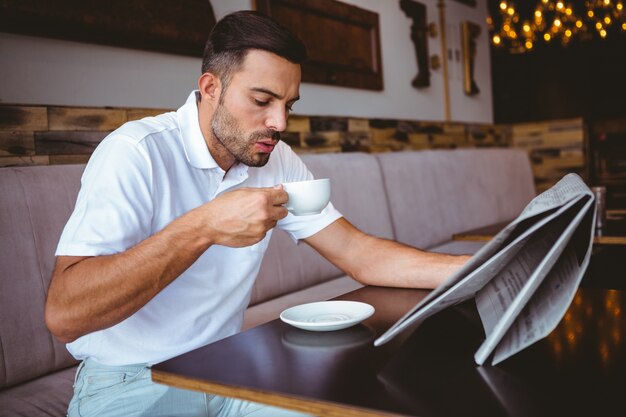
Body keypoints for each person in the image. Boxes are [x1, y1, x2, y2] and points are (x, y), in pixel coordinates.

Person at [45, 10, 470, 417]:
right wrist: (204, 226)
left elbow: (359, 253)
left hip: (228, 369)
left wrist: (481, 267)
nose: (280, 122)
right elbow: (65, 317)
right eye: (262, 100)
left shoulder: (276, 158)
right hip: (131, 382)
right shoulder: (136, 152)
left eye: (289, 105)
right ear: (211, 88)